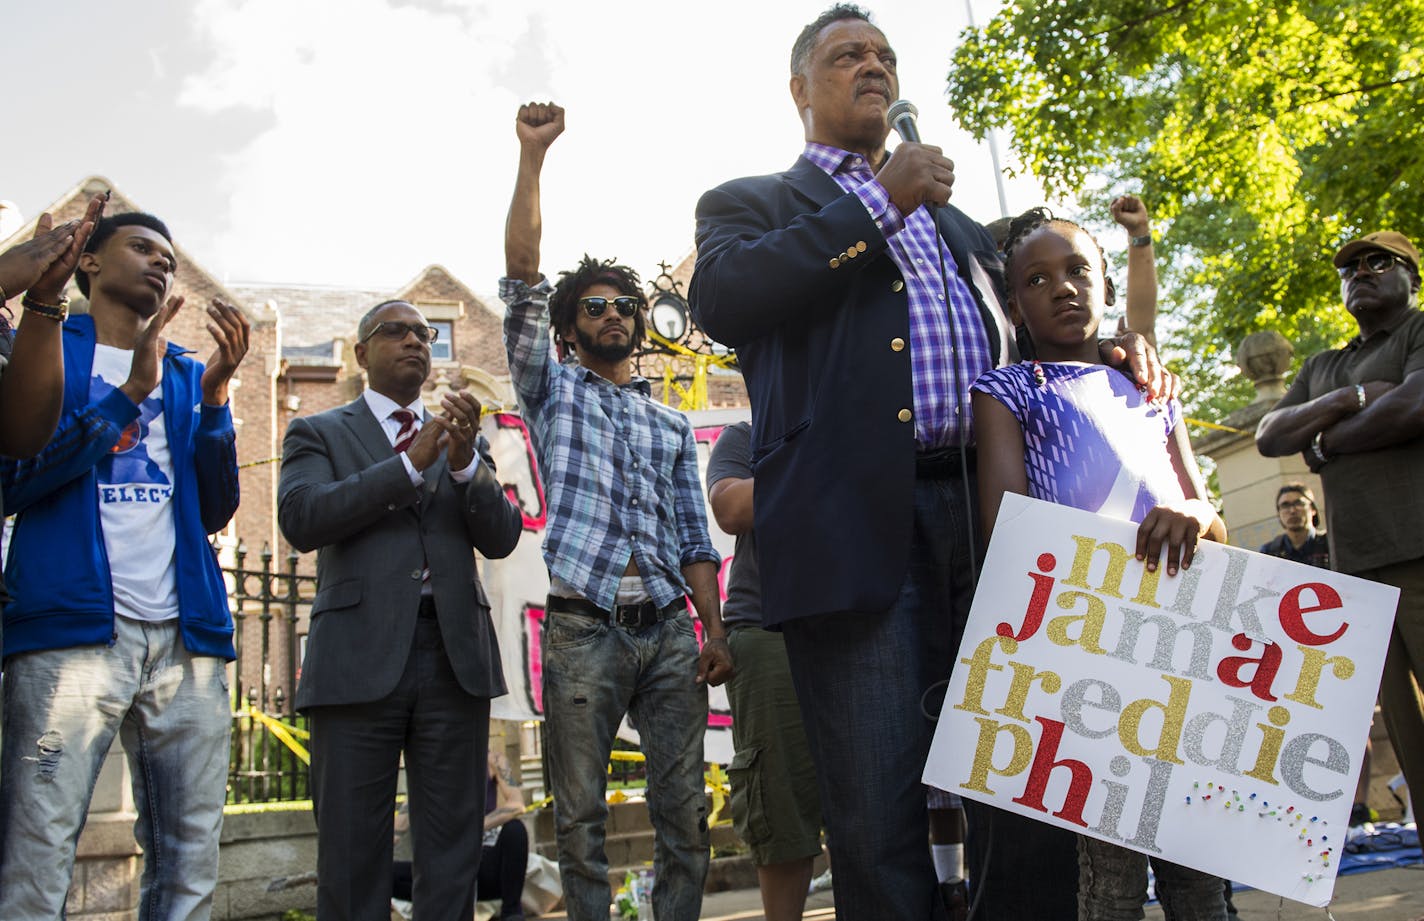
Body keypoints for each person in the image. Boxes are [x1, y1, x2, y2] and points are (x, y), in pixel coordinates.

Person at [688, 5, 1171, 918]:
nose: (874, 66)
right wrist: (880, 200)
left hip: (993, 518)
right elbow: (729, 296)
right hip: (855, 532)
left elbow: (1021, 348)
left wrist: (1111, 354)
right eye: (848, 56)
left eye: (885, 55)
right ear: (800, 90)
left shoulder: (955, 226)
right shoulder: (750, 204)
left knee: (1018, 788)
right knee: (878, 812)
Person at [502, 100, 733, 921]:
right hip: (582, 627)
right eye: (592, 307)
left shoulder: (669, 422)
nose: (611, 315)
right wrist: (533, 157)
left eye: (621, 306)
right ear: (568, 331)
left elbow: (692, 535)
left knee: (685, 816)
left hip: (669, 628)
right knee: (582, 819)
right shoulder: (551, 390)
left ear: (639, 323)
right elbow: (524, 279)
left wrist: (713, 628)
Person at [972, 208, 1228, 921]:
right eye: (1037, 279)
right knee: (1109, 868)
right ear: (1014, 303)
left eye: (1079, 269)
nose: (1063, 288)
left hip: (1181, 647)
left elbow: (1216, 522)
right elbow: (1008, 528)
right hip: (1087, 650)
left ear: (1106, 283)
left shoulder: (1155, 390)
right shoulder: (1008, 391)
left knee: (1200, 865)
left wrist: (1194, 516)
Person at [0, 211, 250, 921]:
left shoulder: (183, 370)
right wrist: (127, 393)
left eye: (169, 257)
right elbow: (17, 475)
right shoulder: (47, 346)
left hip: (187, 639)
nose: (160, 265)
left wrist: (215, 399)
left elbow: (214, 509)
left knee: (189, 857)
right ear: (89, 264)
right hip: (70, 636)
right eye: (141, 248)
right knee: (38, 849)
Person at [277, 299, 522, 921]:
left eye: (425, 333)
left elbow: (500, 537)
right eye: (398, 331)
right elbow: (302, 520)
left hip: (453, 658)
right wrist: (409, 466)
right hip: (356, 659)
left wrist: (466, 463)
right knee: (353, 852)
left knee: (452, 851)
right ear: (361, 354)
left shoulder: (463, 439)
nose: (417, 340)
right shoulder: (319, 431)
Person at [1256, 230, 1424, 845]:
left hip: (1420, 553)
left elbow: (1415, 404)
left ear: (1413, 276)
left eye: (1379, 262)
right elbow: (1272, 434)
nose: (1361, 273)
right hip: (1361, 578)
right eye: (1350, 267)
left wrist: (1325, 442)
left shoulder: (1417, 332)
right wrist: (1351, 399)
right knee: (1410, 742)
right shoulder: (1324, 367)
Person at [707, 421, 825, 921]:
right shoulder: (744, 435)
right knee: (779, 808)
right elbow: (732, 509)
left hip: (859, 626)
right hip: (768, 628)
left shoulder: (858, 415)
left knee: (874, 802)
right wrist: (830, 466)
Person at [393, 750, 529, 921]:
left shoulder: (493, 760)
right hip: (445, 862)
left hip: (484, 860)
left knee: (515, 830)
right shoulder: (431, 764)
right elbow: (403, 820)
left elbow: (517, 805)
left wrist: (472, 829)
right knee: (388, 874)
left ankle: (512, 912)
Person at [1110, 194, 1159, 345]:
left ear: (1107, 290)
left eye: (1078, 272)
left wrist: (1139, 231)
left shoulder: (1133, 361)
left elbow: (1142, 333)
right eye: (1037, 279)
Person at [1258, 483, 1329, 568]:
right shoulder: (1269, 553)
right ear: (1279, 513)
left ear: (1313, 509)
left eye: (1298, 503)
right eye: (1285, 505)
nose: (1292, 511)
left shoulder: (1330, 543)